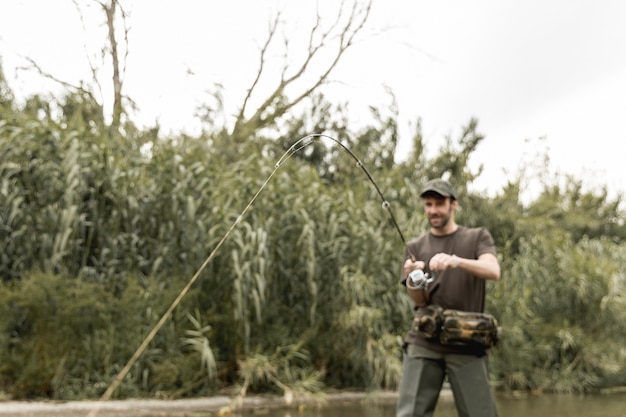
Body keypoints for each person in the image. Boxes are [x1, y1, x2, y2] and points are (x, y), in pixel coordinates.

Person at [396, 178, 501, 417]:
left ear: (453, 205)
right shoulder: (415, 246)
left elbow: (493, 271)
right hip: (424, 342)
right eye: (428, 204)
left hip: (467, 341)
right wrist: (413, 278)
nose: (433, 210)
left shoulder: (476, 237)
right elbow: (419, 301)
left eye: (439, 203)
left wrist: (457, 261)